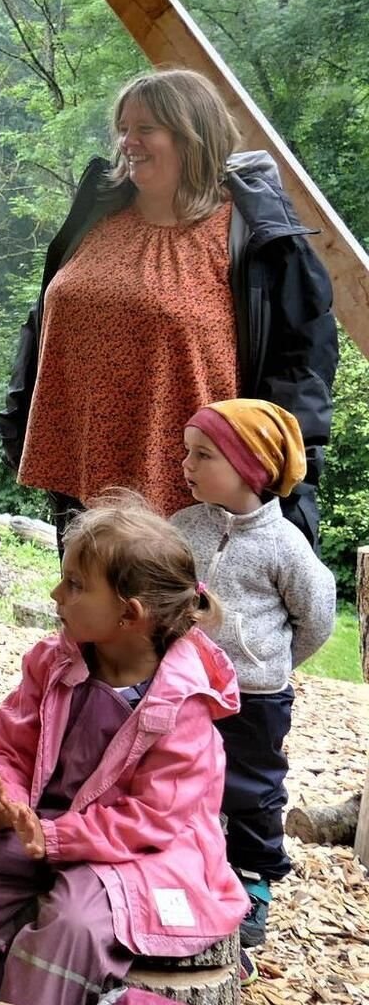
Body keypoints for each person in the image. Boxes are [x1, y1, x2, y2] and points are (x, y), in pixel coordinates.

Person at [0, 495, 248, 1005]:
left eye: (73, 584)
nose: (56, 593)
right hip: (44, 830)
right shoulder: (53, 662)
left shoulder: (183, 708)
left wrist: (54, 837)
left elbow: (151, 820)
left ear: (128, 615)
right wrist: (8, 802)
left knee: (70, 928)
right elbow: (13, 749)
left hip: (139, 854)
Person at [0, 68, 337, 553]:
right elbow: (41, 324)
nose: (127, 142)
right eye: (122, 128)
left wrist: (271, 478)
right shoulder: (98, 213)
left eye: (145, 129)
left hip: (193, 496)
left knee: (176, 628)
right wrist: (16, 417)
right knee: (93, 621)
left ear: (192, 136)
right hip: (81, 481)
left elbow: (301, 370)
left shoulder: (254, 237)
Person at [171, 399, 336, 951]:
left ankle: (253, 883)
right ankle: (184, 867)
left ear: (252, 468)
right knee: (178, 780)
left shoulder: (285, 544)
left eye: (202, 455)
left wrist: (268, 664)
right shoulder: (181, 527)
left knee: (251, 793)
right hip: (183, 686)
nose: (186, 466)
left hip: (254, 697)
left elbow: (316, 619)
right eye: (186, 452)